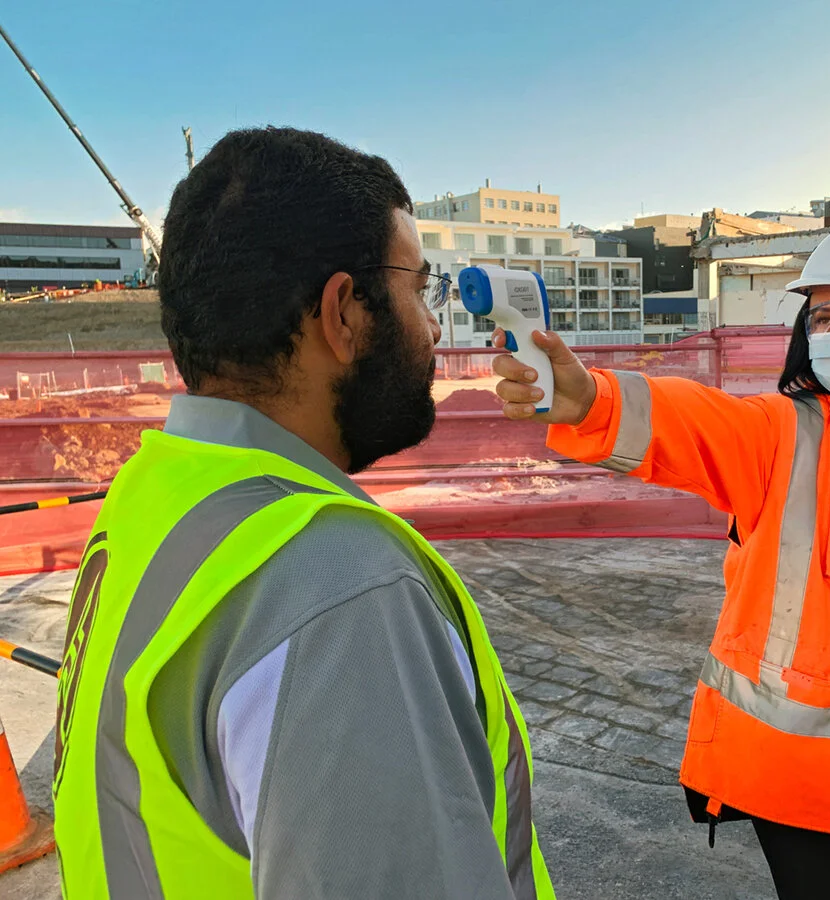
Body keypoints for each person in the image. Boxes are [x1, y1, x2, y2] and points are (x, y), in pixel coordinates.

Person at [52, 127, 555, 900]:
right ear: (345, 313)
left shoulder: (156, 494)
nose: (432, 327)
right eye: (420, 290)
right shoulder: (340, 589)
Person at [491, 213, 830, 899]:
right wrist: (587, 401)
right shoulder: (777, 437)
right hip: (802, 782)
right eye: (824, 317)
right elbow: (687, 419)